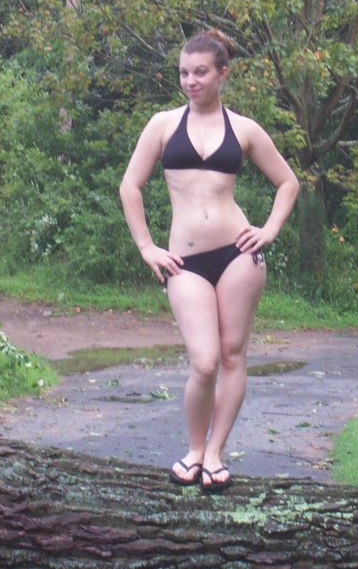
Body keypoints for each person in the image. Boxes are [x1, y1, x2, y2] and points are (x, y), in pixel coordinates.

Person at [119, 29, 299, 492]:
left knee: (233, 355)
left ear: (223, 73)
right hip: (185, 261)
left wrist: (269, 230)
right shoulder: (162, 125)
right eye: (184, 72)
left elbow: (288, 183)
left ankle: (215, 453)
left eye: (200, 72)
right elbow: (130, 186)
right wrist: (147, 247)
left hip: (239, 255)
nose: (191, 81)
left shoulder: (244, 129)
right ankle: (194, 448)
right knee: (204, 362)